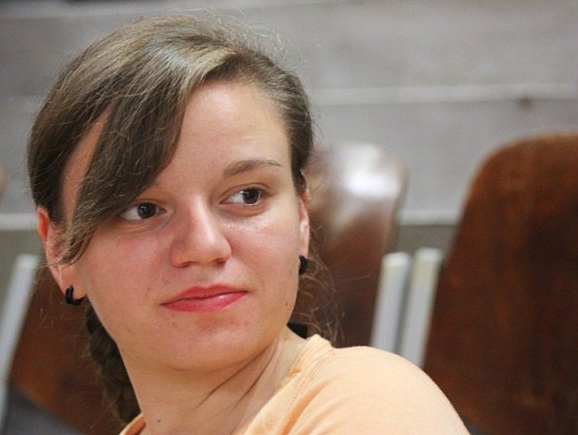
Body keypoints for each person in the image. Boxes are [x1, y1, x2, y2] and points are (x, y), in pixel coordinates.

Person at [28, 15, 468, 434]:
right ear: (61, 251)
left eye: (247, 196)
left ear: (301, 218)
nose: (204, 245)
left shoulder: (370, 405)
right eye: (141, 209)